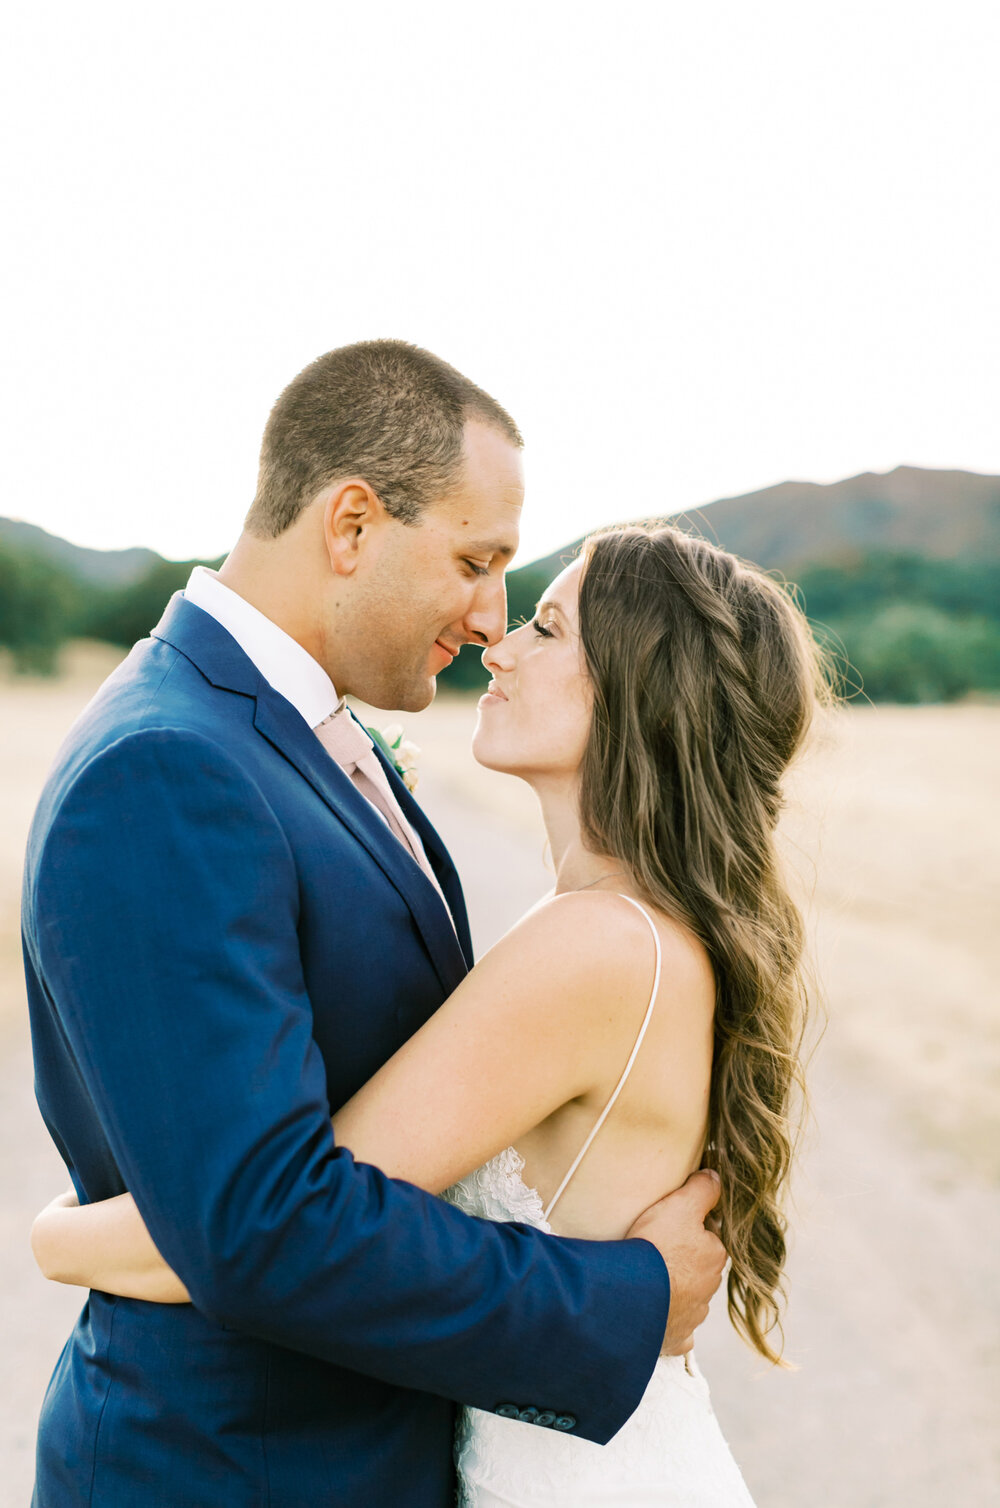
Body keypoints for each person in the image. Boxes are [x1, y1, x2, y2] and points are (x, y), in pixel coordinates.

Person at [22, 341, 726, 1508]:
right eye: (475, 560)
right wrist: (626, 1297)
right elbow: (259, 1225)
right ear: (351, 524)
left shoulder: (295, 737)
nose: (491, 615)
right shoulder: (166, 765)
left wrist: (78, 1237)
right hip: (230, 1469)